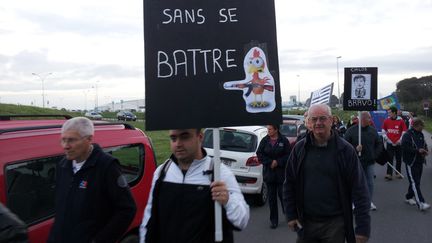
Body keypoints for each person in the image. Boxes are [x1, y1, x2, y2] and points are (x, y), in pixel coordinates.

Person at [140, 129, 249, 243]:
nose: (178, 144)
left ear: (200, 137)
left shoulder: (219, 173)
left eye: (185, 137)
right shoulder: (162, 172)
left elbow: (242, 221)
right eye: (173, 138)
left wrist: (228, 200)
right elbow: (148, 219)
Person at [284, 104, 370, 243]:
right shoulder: (300, 149)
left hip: (335, 223)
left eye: (323, 118)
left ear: (331, 120)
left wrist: (362, 227)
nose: (318, 123)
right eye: (314, 119)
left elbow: (359, 189)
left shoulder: (345, 150)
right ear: (309, 122)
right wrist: (291, 214)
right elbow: (289, 183)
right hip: (306, 222)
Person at [48, 117, 136, 243]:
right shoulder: (63, 165)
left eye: (71, 140)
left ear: (89, 139)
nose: (65, 146)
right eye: (63, 140)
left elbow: (127, 209)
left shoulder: (106, 166)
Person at [344, 111, 383, 211]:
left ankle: (368, 201)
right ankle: (353, 202)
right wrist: (355, 149)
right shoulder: (351, 131)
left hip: (369, 161)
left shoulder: (372, 130)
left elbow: (379, 143)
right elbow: (344, 146)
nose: (370, 120)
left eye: (370, 118)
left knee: (369, 182)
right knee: (355, 183)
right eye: (369, 118)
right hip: (355, 162)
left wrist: (375, 155)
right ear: (363, 119)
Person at [257, 125, 291, 229]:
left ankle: (290, 216)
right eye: (268, 129)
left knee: (283, 196)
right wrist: (269, 162)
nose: (268, 131)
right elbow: (259, 153)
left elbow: (288, 155)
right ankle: (274, 221)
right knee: (272, 199)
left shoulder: (283, 140)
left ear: (276, 130)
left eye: (270, 129)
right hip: (269, 174)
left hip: (281, 174)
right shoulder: (265, 140)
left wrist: (278, 162)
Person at [401, 118, 430, 211]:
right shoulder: (407, 135)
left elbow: (423, 145)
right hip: (411, 162)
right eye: (421, 126)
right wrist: (417, 151)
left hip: (419, 161)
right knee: (414, 182)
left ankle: (409, 197)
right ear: (416, 126)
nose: (423, 128)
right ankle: (421, 203)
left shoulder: (420, 134)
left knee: (416, 181)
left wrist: (425, 150)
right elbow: (405, 148)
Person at [382, 106, 407, 180]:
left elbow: (404, 131)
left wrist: (400, 140)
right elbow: (383, 130)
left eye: (389, 112)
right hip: (390, 143)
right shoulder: (386, 120)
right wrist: (386, 138)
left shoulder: (401, 121)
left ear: (394, 113)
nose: (388, 114)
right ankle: (389, 174)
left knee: (398, 158)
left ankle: (398, 173)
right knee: (389, 158)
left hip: (398, 143)